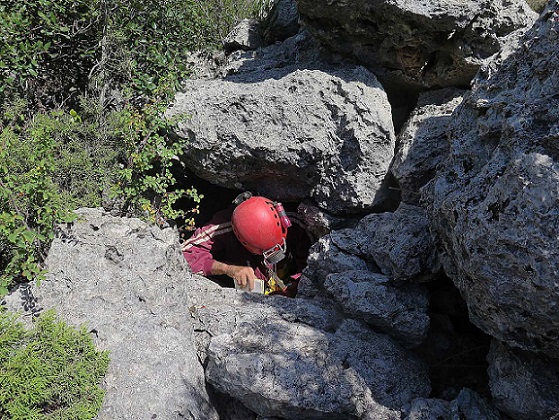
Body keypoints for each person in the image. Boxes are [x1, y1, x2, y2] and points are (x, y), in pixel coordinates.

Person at [182, 193, 312, 296]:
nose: (271, 255)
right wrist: (228, 269)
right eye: (265, 252)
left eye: (276, 248)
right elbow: (183, 258)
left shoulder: (295, 223)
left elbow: (312, 265)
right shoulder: (223, 227)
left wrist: (296, 285)